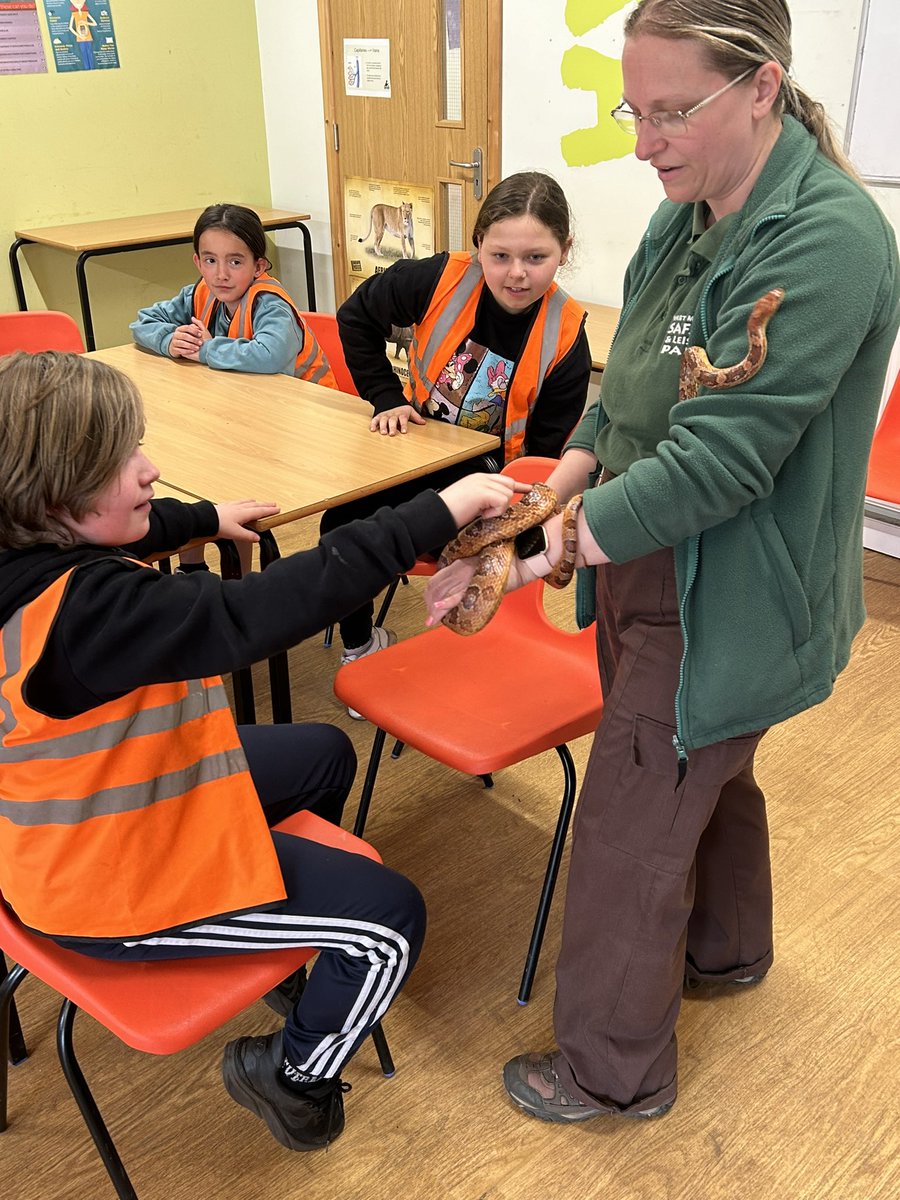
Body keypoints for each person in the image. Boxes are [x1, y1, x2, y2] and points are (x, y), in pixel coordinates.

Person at [427, 0, 899, 1123]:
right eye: (635, 111)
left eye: (673, 112)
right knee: (703, 765)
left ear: (765, 87)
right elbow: (628, 388)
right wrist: (557, 489)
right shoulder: (687, 210)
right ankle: (729, 951)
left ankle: (609, 1070)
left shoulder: (826, 240)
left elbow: (720, 464)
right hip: (645, 557)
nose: (644, 142)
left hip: (726, 587)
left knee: (636, 820)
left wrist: (531, 551)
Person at [0, 350, 525, 1152]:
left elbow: (111, 540)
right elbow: (260, 613)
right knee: (390, 920)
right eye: (123, 463)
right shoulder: (90, 614)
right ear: (54, 497)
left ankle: (276, 928)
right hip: (105, 886)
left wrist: (199, 519)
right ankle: (294, 1076)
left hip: (96, 808)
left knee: (324, 754)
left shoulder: (27, 553)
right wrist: (434, 512)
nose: (151, 470)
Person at [325, 171, 592, 711]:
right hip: (412, 455)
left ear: (564, 251)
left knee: (383, 535)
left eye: (536, 258)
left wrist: (507, 524)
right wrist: (385, 396)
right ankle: (361, 649)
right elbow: (354, 318)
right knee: (339, 525)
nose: (516, 274)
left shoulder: (567, 335)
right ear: (477, 247)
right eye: (499, 256)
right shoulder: (435, 279)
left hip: (493, 490)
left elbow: (546, 462)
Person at [130, 202, 336, 575]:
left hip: (307, 427)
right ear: (197, 262)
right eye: (210, 261)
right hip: (246, 418)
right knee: (191, 456)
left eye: (235, 262)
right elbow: (142, 322)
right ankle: (193, 569)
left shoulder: (269, 302)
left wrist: (204, 349)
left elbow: (270, 355)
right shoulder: (201, 292)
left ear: (259, 266)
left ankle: (235, 583)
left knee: (219, 473)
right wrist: (170, 340)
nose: (221, 274)